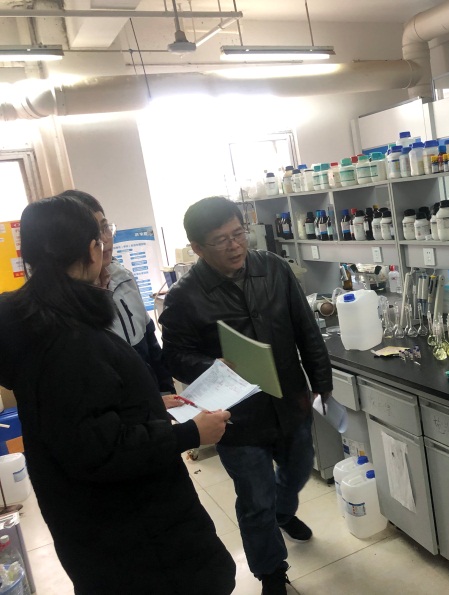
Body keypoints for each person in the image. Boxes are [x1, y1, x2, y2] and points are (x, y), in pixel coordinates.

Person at [0, 195, 235, 595]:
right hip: (137, 535)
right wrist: (191, 433)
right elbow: (101, 448)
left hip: (90, 524)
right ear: (92, 250)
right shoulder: (71, 340)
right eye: (102, 233)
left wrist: (147, 403)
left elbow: (79, 417)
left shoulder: (35, 321)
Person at [160, 196, 333, 595]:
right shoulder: (184, 296)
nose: (235, 245)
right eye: (221, 240)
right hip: (236, 418)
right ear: (197, 248)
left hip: (290, 399)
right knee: (255, 499)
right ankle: (271, 572)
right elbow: (174, 356)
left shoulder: (272, 267)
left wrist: (320, 381)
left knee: (297, 471)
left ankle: (283, 512)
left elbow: (305, 327)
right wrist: (211, 365)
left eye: (239, 234)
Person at [63, 189, 178, 402]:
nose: (106, 239)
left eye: (105, 227)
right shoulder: (69, 301)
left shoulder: (124, 278)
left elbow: (150, 344)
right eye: (95, 233)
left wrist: (166, 392)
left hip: (153, 404)